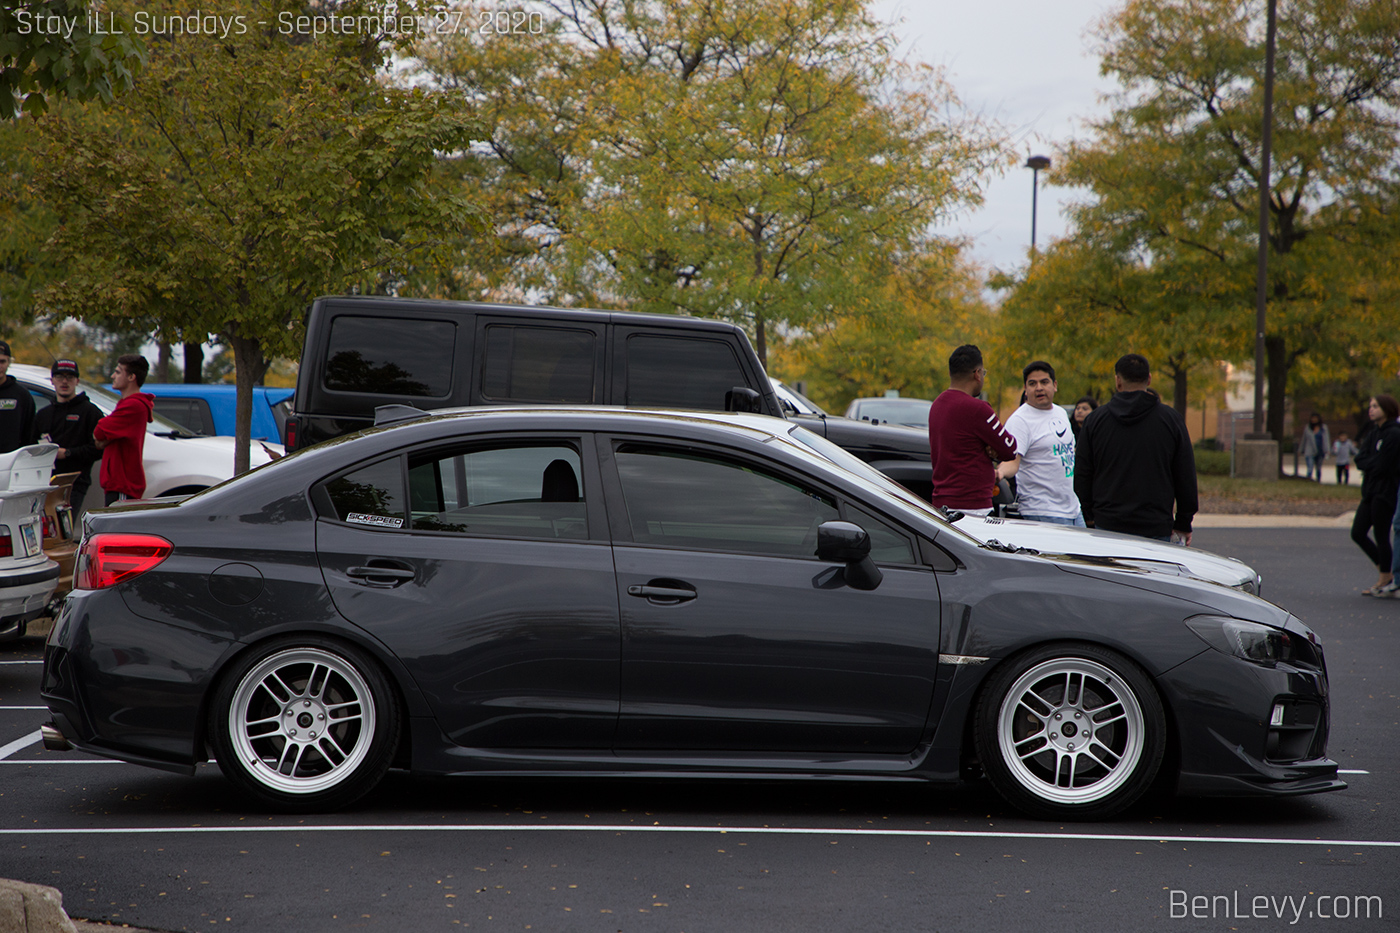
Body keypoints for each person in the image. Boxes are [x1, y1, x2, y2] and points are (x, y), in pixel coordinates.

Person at [1074, 353, 1198, 544]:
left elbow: (1083, 473)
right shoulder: (1171, 420)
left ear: (1118, 381)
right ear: (1149, 379)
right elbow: (1185, 474)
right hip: (1155, 525)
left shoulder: (1095, 421)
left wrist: (1090, 514)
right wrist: (1183, 521)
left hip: (1108, 524)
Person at [927, 344, 1017, 515]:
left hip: (942, 504)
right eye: (983, 373)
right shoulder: (978, 409)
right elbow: (1010, 449)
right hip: (973, 508)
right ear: (977, 374)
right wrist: (990, 449)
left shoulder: (936, 405)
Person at [1001, 361, 1085, 526]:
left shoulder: (1060, 413)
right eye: (1032, 384)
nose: (1039, 388)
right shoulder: (1020, 421)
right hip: (1042, 511)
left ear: (1054, 385)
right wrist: (999, 473)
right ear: (1025, 389)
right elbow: (1011, 461)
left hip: (1073, 509)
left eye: (1044, 382)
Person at [31, 359, 102, 514]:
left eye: (69, 377)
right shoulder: (43, 415)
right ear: (52, 381)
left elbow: (97, 449)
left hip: (75, 484)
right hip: (45, 484)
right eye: (59, 377)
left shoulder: (90, 412)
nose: (64, 382)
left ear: (77, 381)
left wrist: (68, 453)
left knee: (65, 530)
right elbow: (31, 447)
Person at [1350, 395, 1400, 595]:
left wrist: (1371, 464)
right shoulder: (1373, 433)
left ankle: (1385, 576)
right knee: (1358, 532)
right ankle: (1383, 567)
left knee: (1381, 534)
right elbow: (1359, 459)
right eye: (1370, 406)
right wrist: (1372, 463)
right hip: (1369, 490)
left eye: (1375, 406)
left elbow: (1383, 465)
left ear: (1387, 409)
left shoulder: (1394, 434)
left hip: (1386, 492)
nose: (1371, 410)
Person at [93, 354, 155, 505]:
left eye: (118, 372)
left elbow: (99, 432)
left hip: (123, 486)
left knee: (117, 528)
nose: (113, 376)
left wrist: (104, 437)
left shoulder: (133, 406)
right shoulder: (126, 404)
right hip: (117, 485)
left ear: (131, 377)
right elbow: (100, 439)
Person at [0, 340, 37, 454]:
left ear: (9, 363)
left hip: (11, 463)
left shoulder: (21, 395)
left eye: (2, 361)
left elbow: (29, 433)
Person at [1299, 412, 1330, 482]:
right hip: (1310, 451)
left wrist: (1327, 450)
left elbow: (1326, 439)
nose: (1314, 420)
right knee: (1310, 467)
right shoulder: (1308, 428)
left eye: (1315, 418)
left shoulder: (1323, 428)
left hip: (1320, 450)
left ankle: (1318, 480)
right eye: (1313, 418)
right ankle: (1308, 480)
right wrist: (1301, 449)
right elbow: (1304, 439)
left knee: (1318, 468)